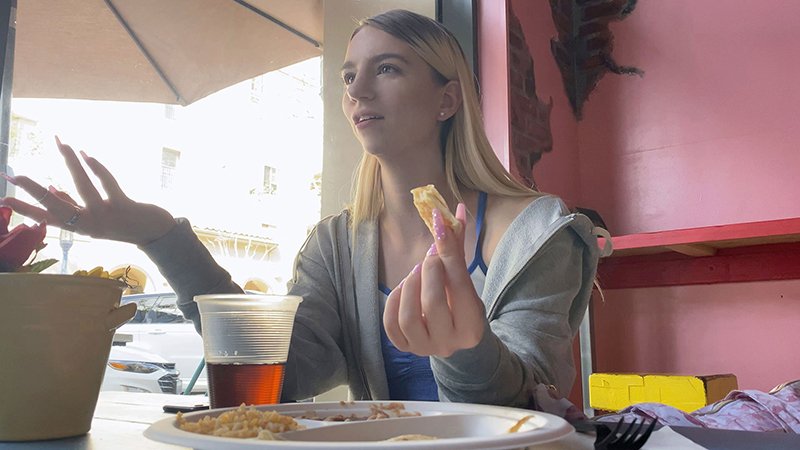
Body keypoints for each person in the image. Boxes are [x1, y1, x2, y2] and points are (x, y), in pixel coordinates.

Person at [0, 9, 607, 407]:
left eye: (387, 69)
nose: (357, 90)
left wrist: (463, 349)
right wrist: (162, 237)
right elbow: (282, 375)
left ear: (447, 100)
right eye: (348, 76)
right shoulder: (334, 246)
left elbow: (529, 403)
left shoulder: (537, 234)